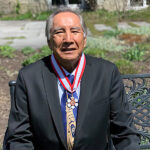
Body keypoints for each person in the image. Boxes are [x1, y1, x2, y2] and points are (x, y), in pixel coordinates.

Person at [3, 8, 140, 150]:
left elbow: (125, 134)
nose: (68, 39)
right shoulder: (29, 78)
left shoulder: (107, 73)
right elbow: (19, 138)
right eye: (59, 32)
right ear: (49, 42)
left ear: (84, 39)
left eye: (75, 31)